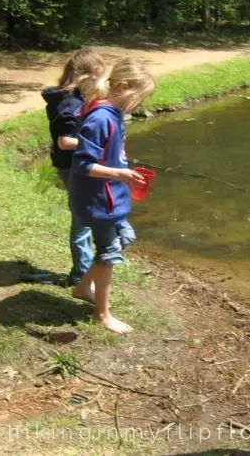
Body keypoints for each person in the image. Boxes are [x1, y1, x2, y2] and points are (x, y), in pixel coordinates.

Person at [69, 58, 155, 334]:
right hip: (97, 200)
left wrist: (122, 168)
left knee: (124, 239)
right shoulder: (100, 118)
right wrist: (121, 175)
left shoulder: (115, 114)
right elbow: (82, 164)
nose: (139, 104)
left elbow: (111, 153)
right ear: (123, 86)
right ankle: (102, 315)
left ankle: (83, 287)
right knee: (108, 253)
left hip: (112, 195)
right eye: (139, 98)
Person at [41, 49, 136, 287]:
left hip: (82, 166)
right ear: (87, 75)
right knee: (82, 221)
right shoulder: (69, 103)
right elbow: (64, 142)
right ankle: (81, 274)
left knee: (95, 218)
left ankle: (93, 267)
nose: (103, 82)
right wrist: (100, 145)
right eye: (100, 76)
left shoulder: (77, 97)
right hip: (72, 167)